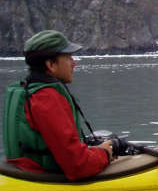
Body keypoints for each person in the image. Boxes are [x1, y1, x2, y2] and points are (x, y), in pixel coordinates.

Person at [2, 30, 112, 180]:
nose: (74, 62)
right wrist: (105, 154)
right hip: (41, 176)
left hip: (23, 171)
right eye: (68, 58)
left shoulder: (28, 89)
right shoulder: (47, 98)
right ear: (51, 65)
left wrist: (94, 151)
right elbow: (78, 166)